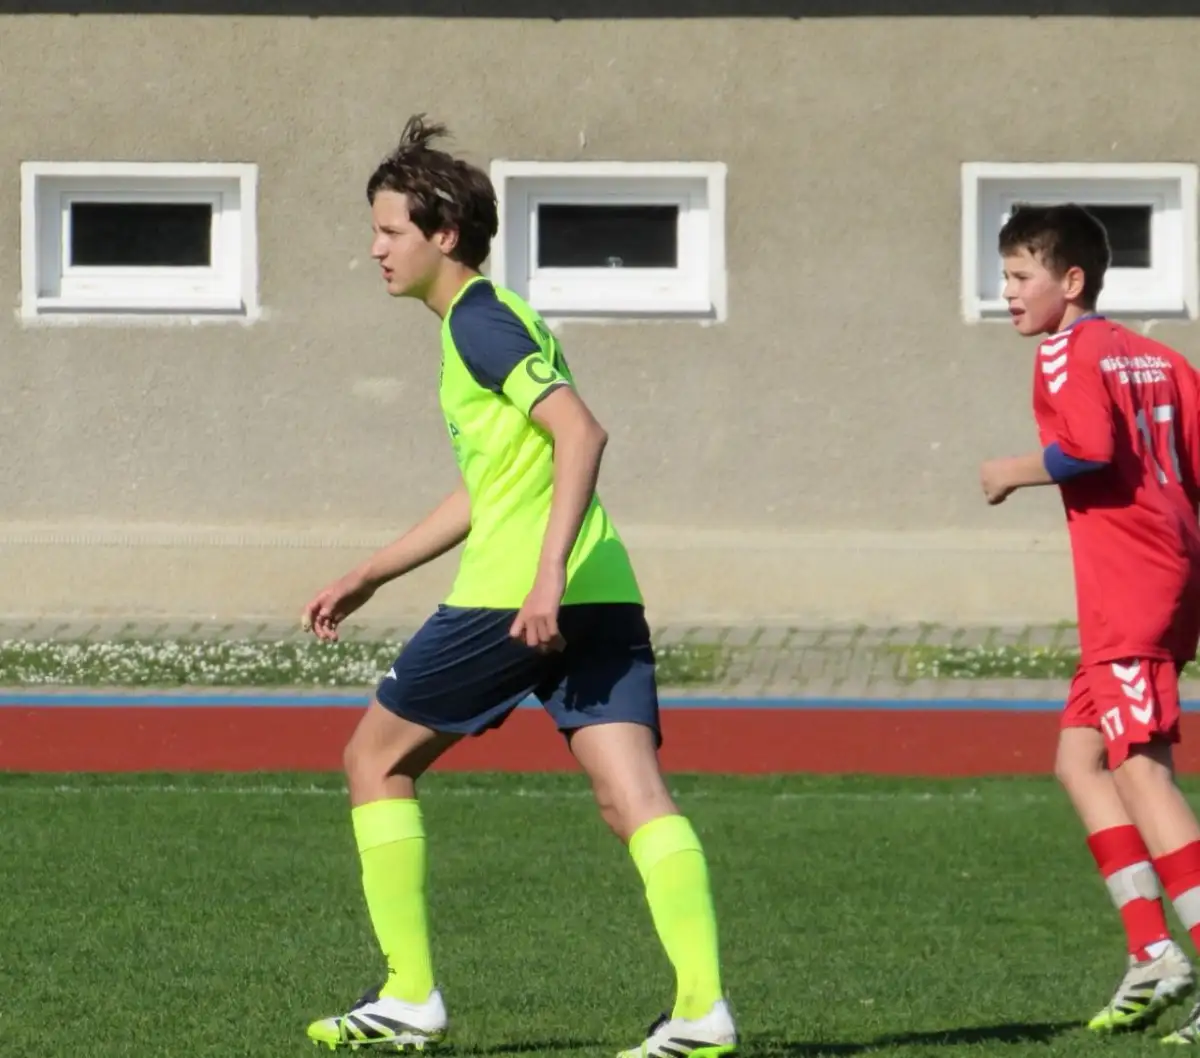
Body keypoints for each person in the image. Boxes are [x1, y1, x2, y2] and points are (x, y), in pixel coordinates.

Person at [299, 115, 738, 1058]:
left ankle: (409, 996)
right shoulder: (499, 319)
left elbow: (582, 431)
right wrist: (373, 570)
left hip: (517, 598)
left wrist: (539, 580)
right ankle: (702, 1013)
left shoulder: (478, 322)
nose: (374, 248)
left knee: (373, 763)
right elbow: (496, 483)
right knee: (634, 801)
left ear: (442, 233)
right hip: (601, 589)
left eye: (389, 231)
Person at [979, 203, 1200, 1043]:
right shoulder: (1161, 358)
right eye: (1004, 275)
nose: (1006, 293)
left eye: (1019, 276)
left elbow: (1089, 450)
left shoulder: (1071, 351)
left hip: (1130, 592)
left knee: (1141, 771)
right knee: (1079, 760)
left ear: (1071, 282)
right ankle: (1153, 952)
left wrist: (1012, 470)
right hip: (1163, 582)